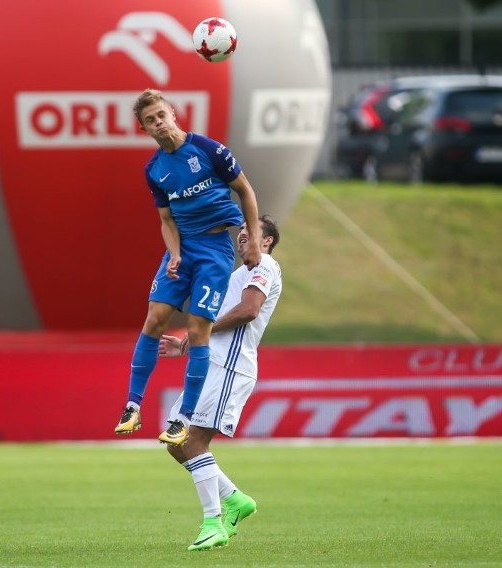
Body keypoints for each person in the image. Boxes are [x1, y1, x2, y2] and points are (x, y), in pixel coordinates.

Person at [114, 88, 262, 446]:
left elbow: (246, 191)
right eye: (150, 120)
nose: (158, 123)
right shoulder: (154, 170)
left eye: (161, 115)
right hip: (182, 251)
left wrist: (254, 239)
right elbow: (166, 220)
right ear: (145, 129)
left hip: (214, 250)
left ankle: (184, 418)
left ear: (173, 114)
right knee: (154, 318)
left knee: (197, 331)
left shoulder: (209, 150)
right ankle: (132, 406)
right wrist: (174, 252)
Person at [158, 215, 283, 551]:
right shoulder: (237, 275)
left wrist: (203, 332)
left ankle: (213, 521)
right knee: (176, 442)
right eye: (240, 231)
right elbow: (216, 324)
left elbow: (248, 311)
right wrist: (187, 343)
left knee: (194, 439)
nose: (242, 236)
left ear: (267, 241)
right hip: (211, 364)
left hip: (231, 366)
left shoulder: (266, 266)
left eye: (251, 232)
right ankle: (235, 499)